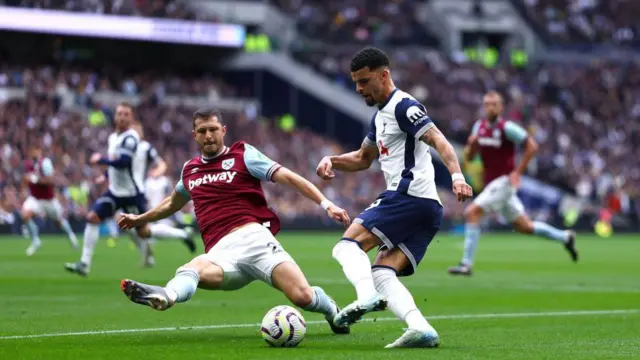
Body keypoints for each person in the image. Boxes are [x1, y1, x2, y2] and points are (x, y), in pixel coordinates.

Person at [117, 108, 352, 335]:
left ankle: (332, 311)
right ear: (194, 135)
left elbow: (288, 177)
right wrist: (140, 219)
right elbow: (171, 203)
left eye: (213, 129)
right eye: (202, 131)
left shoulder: (243, 155)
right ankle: (166, 296)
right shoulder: (190, 170)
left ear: (223, 130)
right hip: (221, 253)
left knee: (303, 296)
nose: (208, 135)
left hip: (255, 241)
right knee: (191, 269)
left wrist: (326, 204)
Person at [316, 47, 473, 348]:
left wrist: (456, 176)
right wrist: (332, 160)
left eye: (364, 81)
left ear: (384, 75)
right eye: (356, 83)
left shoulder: (404, 106)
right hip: (426, 208)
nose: (360, 89)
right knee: (383, 271)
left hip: (408, 197)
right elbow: (363, 158)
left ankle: (365, 298)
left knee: (346, 247)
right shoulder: (379, 118)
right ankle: (420, 328)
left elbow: (438, 139)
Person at [448, 91, 578, 276]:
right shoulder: (479, 127)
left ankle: (466, 264)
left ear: (501, 108)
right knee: (525, 227)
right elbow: (470, 156)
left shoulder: (507, 128)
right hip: (492, 183)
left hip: (505, 182)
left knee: (472, 212)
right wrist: (472, 145)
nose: (490, 107)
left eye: (494, 104)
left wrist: (518, 172)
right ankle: (565, 237)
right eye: (487, 104)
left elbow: (531, 146)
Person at [64, 103, 153, 276]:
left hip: (131, 194)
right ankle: (84, 264)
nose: (122, 117)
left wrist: (101, 160)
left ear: (131, 118)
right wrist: (105, 176)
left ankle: (173, 237)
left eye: (126, 114)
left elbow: (124, 162)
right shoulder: (113, 137)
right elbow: (115, 163)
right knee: (92, 217)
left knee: (143, 231)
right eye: (119, 113)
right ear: (115, 116)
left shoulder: (131, 138)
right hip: (114, 192)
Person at [21, 144, 78, 256]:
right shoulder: (28, 164)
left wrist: (35, 180)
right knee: (25, 215)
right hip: (35, 198)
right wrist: (24, 189)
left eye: (35, 150)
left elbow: (50, 181)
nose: (33, 153)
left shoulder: (45, 163)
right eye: (31, 151)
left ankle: (71, 235)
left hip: (49, 199)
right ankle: (36, 240)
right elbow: (26, 178)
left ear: (39, 151)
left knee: (58, 221)